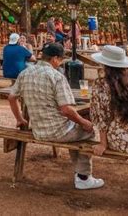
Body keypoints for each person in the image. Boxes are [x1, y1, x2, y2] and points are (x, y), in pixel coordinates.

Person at [8, 43, 104, 190]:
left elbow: (11, 98)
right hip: (58, 132)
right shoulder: (56, 76)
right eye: (60, 60)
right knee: (87, 131)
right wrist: (84, 122)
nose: (60, 63)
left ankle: (81, 175)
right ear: (54, 59)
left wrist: (20, 119)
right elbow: (66, 109)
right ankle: (83, 177)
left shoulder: (24, 73)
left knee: (78, 127)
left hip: (38, 131)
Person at [90, 45, 128, 199]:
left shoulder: (101, 84)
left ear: (105, 64)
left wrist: (103, 143)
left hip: (120, 138)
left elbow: (101, 116)